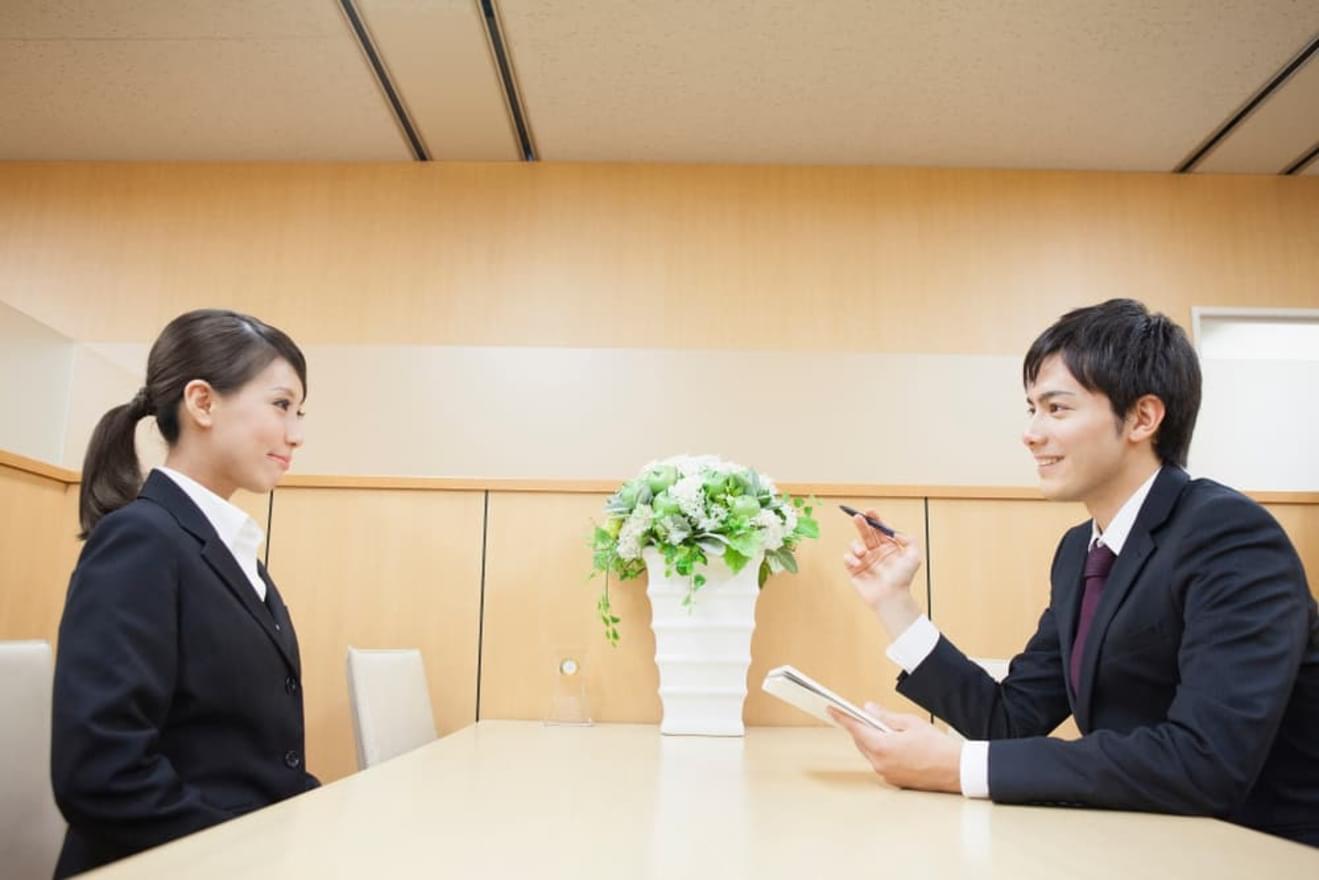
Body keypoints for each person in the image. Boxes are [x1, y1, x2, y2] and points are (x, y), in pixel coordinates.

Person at [830, 298, 1319, 847]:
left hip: (1265, 850)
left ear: (1142, 418)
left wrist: (958, 767)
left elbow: (1206, 761)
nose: (1031, 433)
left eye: (1056, 409)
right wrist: (895, 604)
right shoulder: (1078, 552)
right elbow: (1009, 720)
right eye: (1031, 409)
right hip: (1147, 841)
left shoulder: (1229, 537)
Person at [51, 309, 319, 876]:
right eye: (280, 405)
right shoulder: (139, 542)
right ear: (202, 402)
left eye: (299, 413)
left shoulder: (227, 546)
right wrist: (257, 852)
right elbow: (103, 776)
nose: (296, 433)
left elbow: (248, 758)